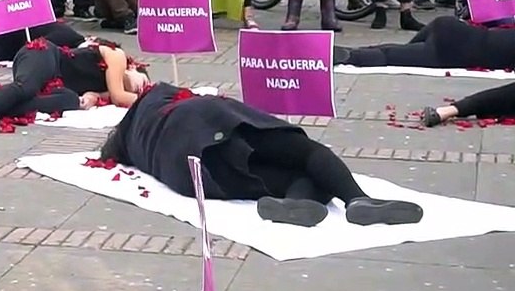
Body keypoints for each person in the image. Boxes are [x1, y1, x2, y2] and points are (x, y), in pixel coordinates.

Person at [100, 82, 423, 228]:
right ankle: (357, 199)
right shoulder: (158, 93)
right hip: (209, 125)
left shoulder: (132, 144)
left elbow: (112, 149)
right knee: (309, 155)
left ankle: (299, 203)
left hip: (191, 174)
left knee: (295, 178)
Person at [0, 38, 152, 134]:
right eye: (141, 83)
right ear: (133, 67)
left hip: (54, 82)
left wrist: (94, 96)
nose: (137, 90)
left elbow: (106, 95)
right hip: (44, 56)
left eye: (139, 91)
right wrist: (154, 97)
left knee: (69, 100)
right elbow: (120, 97)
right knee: (27, 87)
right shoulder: (117, 56)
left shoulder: (111, 86)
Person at [334, 15, 515, 70]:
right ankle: (350, 56)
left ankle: (350, 53)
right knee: (390, 56)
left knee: (399, 51)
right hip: (450, 50)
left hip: (450, 30)